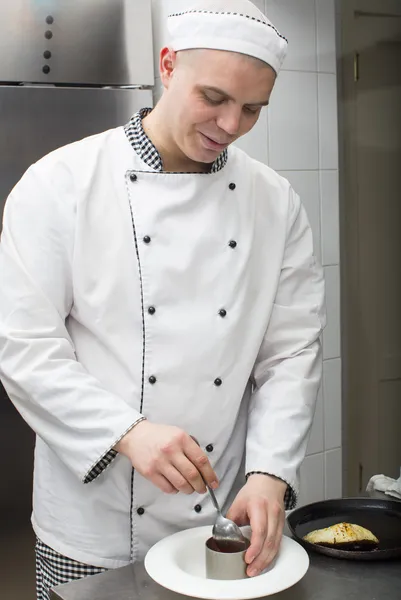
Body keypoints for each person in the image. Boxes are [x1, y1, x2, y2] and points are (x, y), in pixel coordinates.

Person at [0, 1, 325, 598]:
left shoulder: (274, 202)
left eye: (253, 108)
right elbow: (23, 348)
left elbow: (291, 354)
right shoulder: (61, 183)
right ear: (168, 65)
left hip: (221, 515)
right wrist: (127, 430)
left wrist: (270, 472)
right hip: (94, 522)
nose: (231, 124)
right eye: (214, 98)